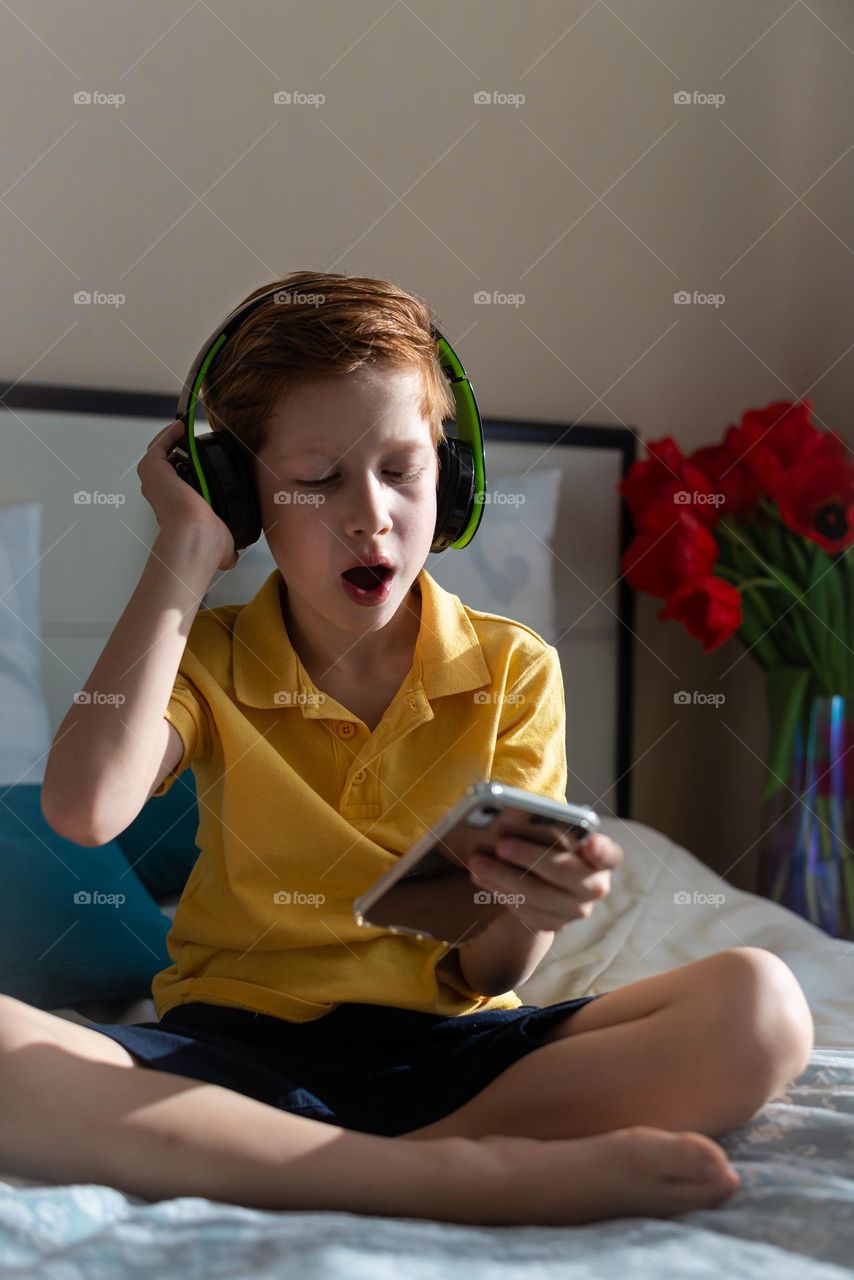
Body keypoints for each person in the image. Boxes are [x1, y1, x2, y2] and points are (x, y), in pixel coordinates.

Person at [11, 272, 812, 1227]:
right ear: (241, 496)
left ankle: (352, 1167)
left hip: (451, 1061)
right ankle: (444, 1181)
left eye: (401, 471)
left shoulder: (515, 667)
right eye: (315, 480)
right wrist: (183, 546)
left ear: (454, 476)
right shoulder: (207, 657)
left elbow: (492, 975)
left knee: (762, 1002)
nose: (370, 515)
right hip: (233, 1058)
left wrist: (522, 903)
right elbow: (85, 810)